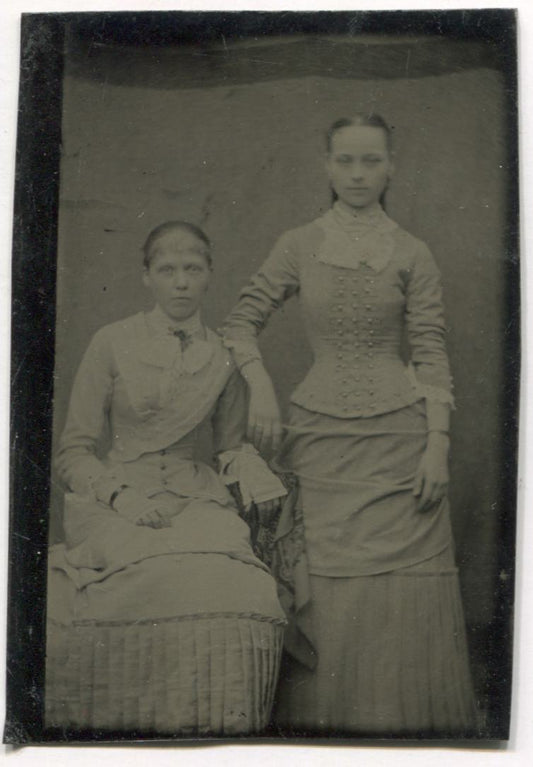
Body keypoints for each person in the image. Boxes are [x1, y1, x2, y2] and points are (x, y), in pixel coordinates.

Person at [222, 114, 478, 735]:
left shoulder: (413, 253)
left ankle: (402, 728)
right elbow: (238, 322)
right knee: (328, 582)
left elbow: (430, 351)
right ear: (326, 165)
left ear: (391, 167)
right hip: (318, 437)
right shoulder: (298, 243)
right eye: (345, 161)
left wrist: (437, 445)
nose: (358, 174)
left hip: (402, 440)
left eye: (370, 161)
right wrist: (261, 387)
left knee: (400, 586)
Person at [45, 220, 287, 736]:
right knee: (142, 578)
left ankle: (215, 727)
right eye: (168, 269)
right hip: (115, 496)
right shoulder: (112, 342)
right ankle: (123, 725)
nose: (181, 282)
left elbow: (227, 448)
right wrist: (121, 496)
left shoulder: (221, 356)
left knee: (238, 582)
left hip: (193, 495)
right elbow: (73, 453)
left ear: (208, 277)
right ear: (147, 277)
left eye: (192, 270)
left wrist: (253, 474)